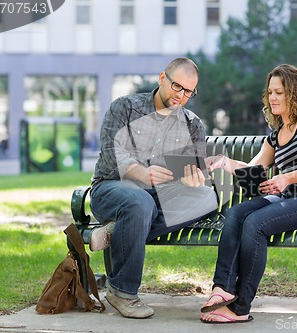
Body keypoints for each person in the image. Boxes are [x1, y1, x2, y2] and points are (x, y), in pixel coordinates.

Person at [200, 64, 297, 324]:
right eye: (270, 92)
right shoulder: (276, 134)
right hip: (286, 199)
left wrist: (286, 177)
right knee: (237, 212)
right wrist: (223, 162)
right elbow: (254, 168)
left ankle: (240, 308)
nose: (273, 97)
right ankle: (223, 290)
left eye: (280, 92)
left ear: (295, 93)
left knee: (256, 223)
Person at [88, 57, 218, 319]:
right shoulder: (125, 107)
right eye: (177, 87)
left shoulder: (192, 124)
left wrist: (192, 177)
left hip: (159, 196)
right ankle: (122, 292)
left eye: (189, 91)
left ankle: (121, 229)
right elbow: (112, 153)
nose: (181, 96)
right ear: (162, 78)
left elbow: (191, 167)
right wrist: (143, 174)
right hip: (111, 188)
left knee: (206, 197)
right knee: (140, 203)